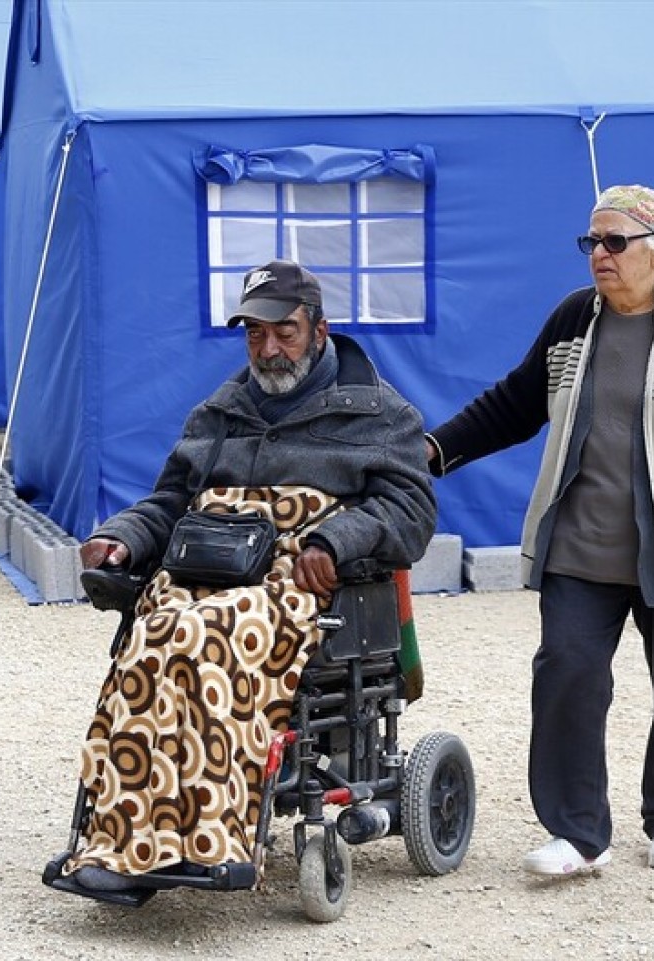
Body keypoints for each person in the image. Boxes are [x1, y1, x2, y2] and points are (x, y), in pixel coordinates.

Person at [425, 184, 654, 875]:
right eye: (592, 241)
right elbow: (513, 404)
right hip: (580, 546)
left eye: (615, 241)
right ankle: (578, 833)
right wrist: (433, 451)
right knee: (566, 673)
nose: (599, 254)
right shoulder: (572, 319)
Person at [62, 259, 436, 893]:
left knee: (199, 638)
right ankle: (125, 841)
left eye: (284, 332)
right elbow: (171, 501)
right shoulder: (220, 413)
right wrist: (122, 537)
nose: (268, 349)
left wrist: (335, 539)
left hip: (293, 586)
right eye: (255, 334)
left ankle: (211, 842)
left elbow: (410, 512)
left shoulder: (379, 415)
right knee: (147, 644)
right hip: (199, 572)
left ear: (319, 329)